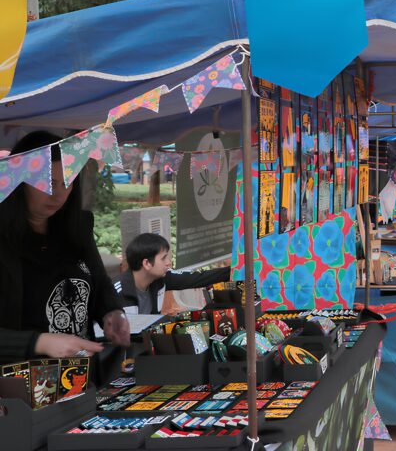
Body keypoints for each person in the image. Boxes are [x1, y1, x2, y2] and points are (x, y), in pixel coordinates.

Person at [0, 131, 130, 362]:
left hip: (81, 376)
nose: (58, 194)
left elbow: (99, 283)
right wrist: (39, 341)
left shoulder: (77, 227)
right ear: (20, 180)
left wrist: (112, 311)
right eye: (49, 183)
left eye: (67, 183)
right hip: (22, 385)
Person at [115, 233, 230, 315]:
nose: (169, 263)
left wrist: (235, 270)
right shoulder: (116, 293)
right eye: (164, 258)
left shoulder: (161, 278)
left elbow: (197, 278)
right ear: (147, 263)